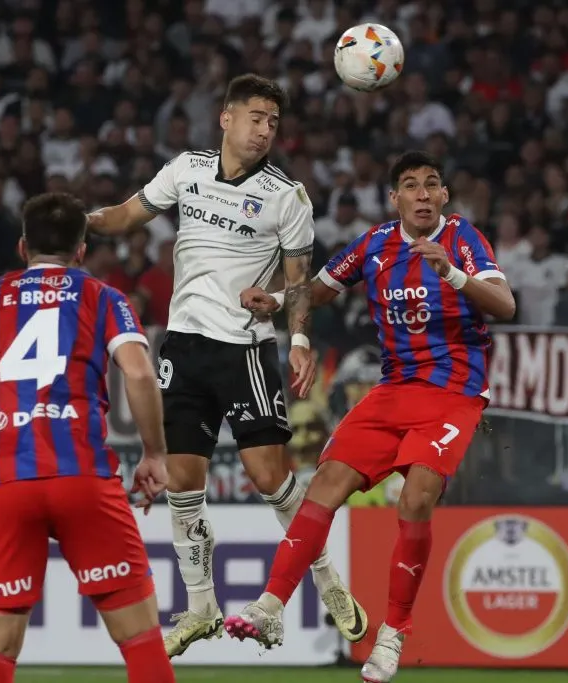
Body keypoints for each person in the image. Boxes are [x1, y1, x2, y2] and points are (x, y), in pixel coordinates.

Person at [87, 73, 365, 656]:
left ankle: (328, 581)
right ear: (226, 118)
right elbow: (126, 215)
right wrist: (73, 222)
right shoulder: (186, 169)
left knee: (270, 477)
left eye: (273, 121)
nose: (264, 129)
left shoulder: (287, 197)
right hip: (184, 349)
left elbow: (299, 287)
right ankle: (199, 607)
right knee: (182, 484)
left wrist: (299, 342)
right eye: (256, 117)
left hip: (245, 350)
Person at [226, 151, 516, 683]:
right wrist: (273, 299)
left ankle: (392, 634)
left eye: (432, 185)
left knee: (417, 496)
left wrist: (450, 273)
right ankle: (270, 605)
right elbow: (317, 291)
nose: (423, 194)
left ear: (445, 196)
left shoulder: (463, 239)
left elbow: (505, 304)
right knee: (325, 486)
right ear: (395, 199)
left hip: (454, 394)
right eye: (411, 186)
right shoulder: (376, 244)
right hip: (393, 392)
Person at [0, 193, 175, 683]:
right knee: (141, 643)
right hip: (83, 477)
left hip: (6, 480)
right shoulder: (103, 297)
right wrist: (154, 454)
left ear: (21, 247)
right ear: (81, 251)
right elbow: (139, 375)